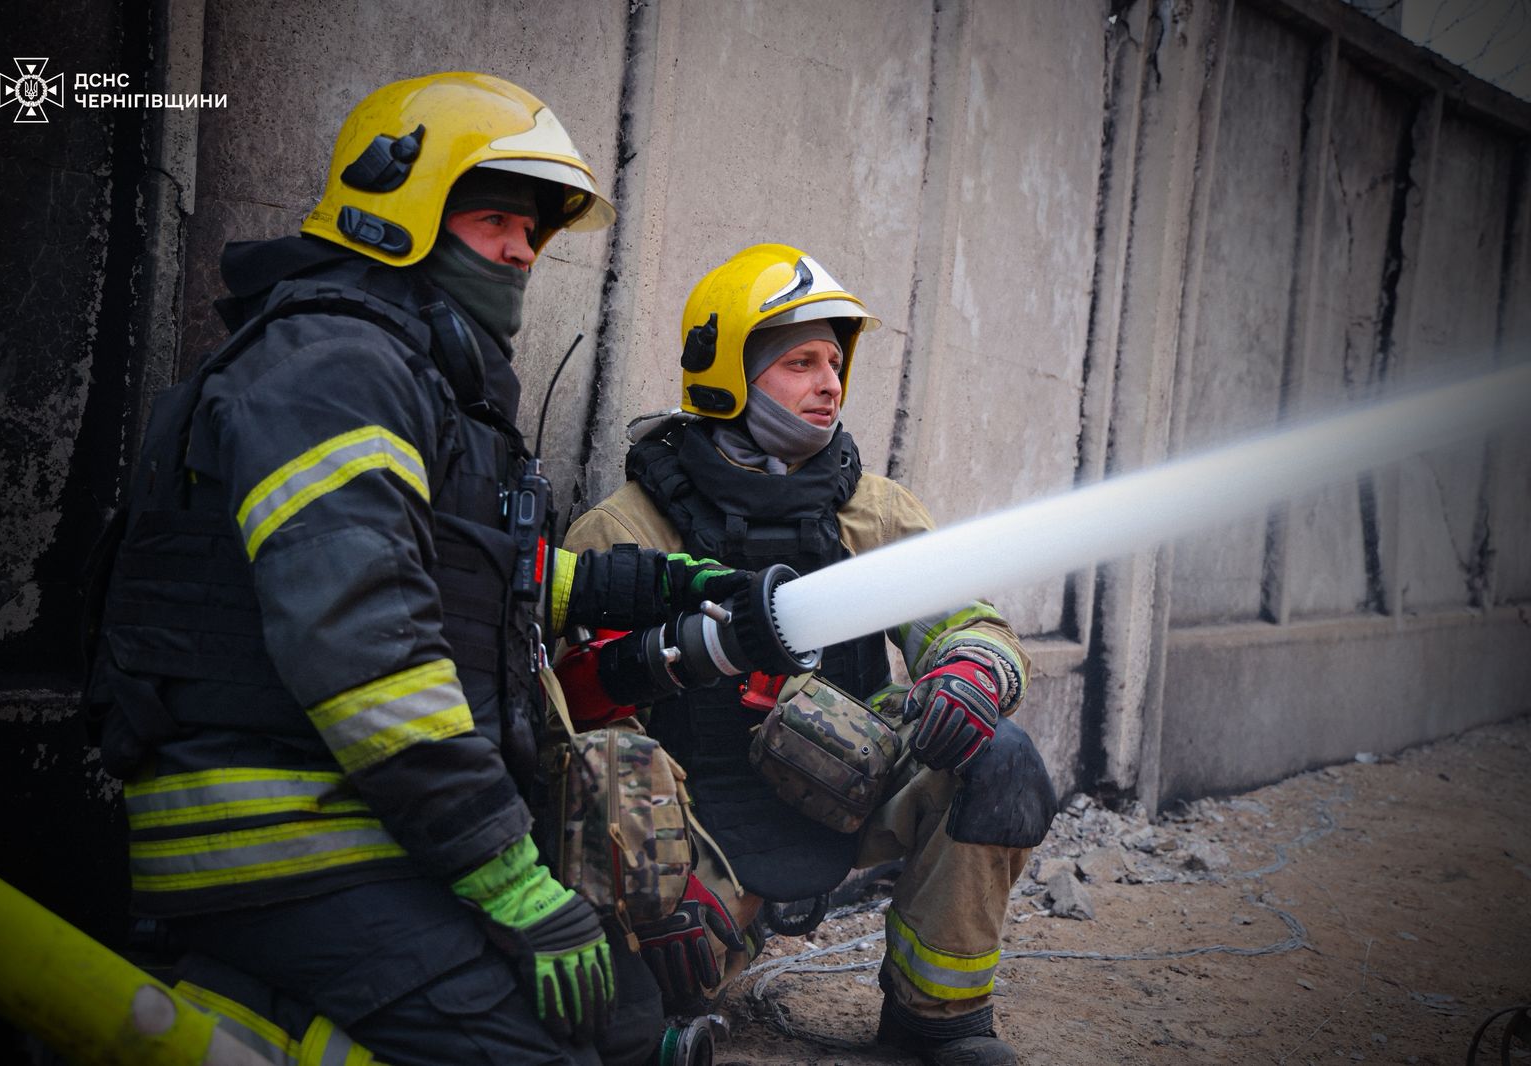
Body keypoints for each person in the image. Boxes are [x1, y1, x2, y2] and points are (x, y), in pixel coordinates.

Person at [85, 72, 753, 1066]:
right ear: (398, 208)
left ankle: (261, 1003)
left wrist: (653, 587)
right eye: (494, 219)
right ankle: (232, 1012)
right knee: (549, 1051)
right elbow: (365, 645)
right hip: (283, 840)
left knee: (622, 1020)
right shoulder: (333, 370)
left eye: (532, 230)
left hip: (374, 821)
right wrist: (504, 876)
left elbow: (472, 584)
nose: (522, 250)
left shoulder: (407, 373)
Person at [555, 243, 1057, 1066]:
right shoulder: (625, 530)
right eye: (800, 362)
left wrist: (972, 670)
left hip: (852, 790)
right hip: (701, 830)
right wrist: (653, 872)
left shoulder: (876, 512)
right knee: (653, 1000)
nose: (830, 383)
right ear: (725, 371)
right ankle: (697, 953)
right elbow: (581, 722)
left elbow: (970, 622)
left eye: (835, 362)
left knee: (999, 759)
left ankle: (938, 1016)